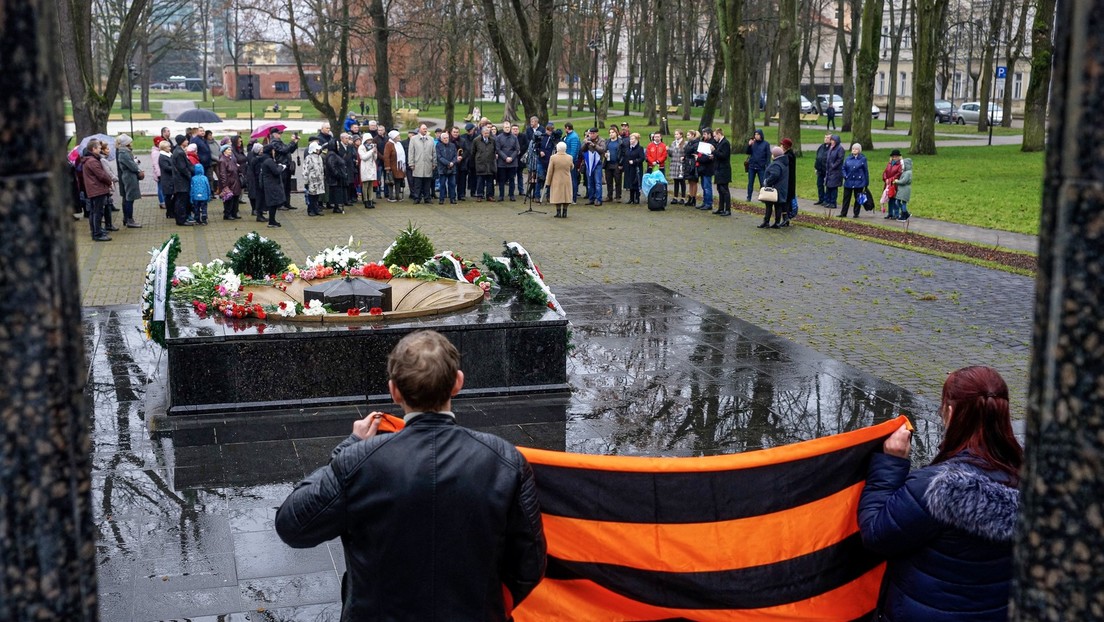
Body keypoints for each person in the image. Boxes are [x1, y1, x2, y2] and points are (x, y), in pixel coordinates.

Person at [276, 331, 546, 621]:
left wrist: (349, 447)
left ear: (394, 391)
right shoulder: (505, 460)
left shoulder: (357, 462)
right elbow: (529, 564)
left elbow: (293, 525)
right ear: (457, 383)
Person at [858, 365, 1022, 622]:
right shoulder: (1032, 481)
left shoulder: (937, 488)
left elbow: (877, 535)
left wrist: (890, 464)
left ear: (950, 411)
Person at [80, 139, 114, 241]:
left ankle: (96, 230)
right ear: (93, 148)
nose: (100, 150)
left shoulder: (90, 160)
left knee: (94, 211)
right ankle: (97, 233)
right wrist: (109, 181)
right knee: (97, 212)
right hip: (97, 189)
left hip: (94, 188)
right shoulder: (92, 161)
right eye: (99, 148)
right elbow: (101, 175)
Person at [115, 134, 143, 228]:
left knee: (127, 198)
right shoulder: (123, 153)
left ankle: (127, 218)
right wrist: (138, 170)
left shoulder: (124, 152)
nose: (131, 143)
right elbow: (131, 166)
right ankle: (129, 220)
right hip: (129, 177)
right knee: (129, 199)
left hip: (129, 176)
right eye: (130, 142)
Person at [758, 146, 789, 229]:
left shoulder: (776, 164)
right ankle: (777, 222)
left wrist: (767, 181)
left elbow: (775, 175)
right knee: (778, 206)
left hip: (774, 189)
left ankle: (766, 221)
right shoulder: (783, 163)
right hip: (781, 188)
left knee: (769, 205)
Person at [258, 143, 286, 227]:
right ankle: (272, 221)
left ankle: (272, 220)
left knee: (273, 203)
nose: (274, 152)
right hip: (271, 184)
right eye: (273, 150)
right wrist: (281, 167)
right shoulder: (268, 161)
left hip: (269, 183)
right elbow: (276, 171)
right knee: (273, 203)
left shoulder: (265, 159)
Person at [839, 143, 870, 218]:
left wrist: (866, 182)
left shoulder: (863, 159)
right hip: (849, 181)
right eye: (853, 149)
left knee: (858, 198)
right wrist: (845, 175)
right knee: (846, 198)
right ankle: (843, 213)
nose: (854, 150)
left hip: (859, 182)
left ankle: (856, 213)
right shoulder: (848, 158)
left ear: (859, 150)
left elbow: (865, 171)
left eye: (856, 149)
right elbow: (843, 168)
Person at [407, 123, 436, 204]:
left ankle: (427, 198)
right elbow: (411, 152)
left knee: (427, 183)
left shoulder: (431, 139)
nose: (425, 130)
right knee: (417, 183)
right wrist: (411, 163)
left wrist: (434, 163)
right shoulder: (413, 139)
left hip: (428, 164)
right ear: (419, 129)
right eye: (423, 128)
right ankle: (417, 198)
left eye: (426, 128)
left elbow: (434, 152)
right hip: (417, 164)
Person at [171, 135, 194, 226]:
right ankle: (181, 220)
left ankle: (181, 218)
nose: (187, 141)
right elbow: (182, 168)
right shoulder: (179, 152)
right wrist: (189, 176)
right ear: (182, 141)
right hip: (181, 181)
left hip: (180, 180)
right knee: (181, 201)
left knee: (181, 200)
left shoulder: (178, 151)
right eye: (186, 140)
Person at [546, 142, 573, 218]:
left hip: (556, 178)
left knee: (557, 196)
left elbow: (550, 170)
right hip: (567, 178)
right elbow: (572, 167)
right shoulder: (570, 157)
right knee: (566, 196)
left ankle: (558, 212)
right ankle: (565, 212)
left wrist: (548, 181)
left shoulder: (553, 157)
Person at [494, 122, 520, 201]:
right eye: (505, 127)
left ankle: (511, 195)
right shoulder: (498, 137)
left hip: (513, 162)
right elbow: (498, 149)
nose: (507, 129)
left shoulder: (514, 137)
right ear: (503, 128)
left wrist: (511, 158)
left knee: (512, 179)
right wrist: (505, 158)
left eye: (508, 127)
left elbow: (517, 149)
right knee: (502, 180)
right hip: (502, 162)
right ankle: (501, 195)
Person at [471, 124, 497, 202]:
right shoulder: (476, 140)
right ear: (482, 133)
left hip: (490, 164)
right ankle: (479, 195)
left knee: (490, 182)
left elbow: (495, 150)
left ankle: (490, 195)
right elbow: (473, 152)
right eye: (485, 133)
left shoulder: (492, 140)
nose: (486, 135)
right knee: (480, 181)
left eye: (488, 133)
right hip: (480, 164)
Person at [581, 128, 606, 206]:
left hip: (597, 164)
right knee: (590, 182)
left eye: (593, 133)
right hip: (589, 163)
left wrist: (594, 145)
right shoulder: (587, 139)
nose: (591, 135)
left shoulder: (601, 140)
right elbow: (582, 149)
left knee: (598, 182)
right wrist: (586, 144)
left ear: (596, 133)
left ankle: (598, 199)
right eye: (590, 133)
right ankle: (591, 198)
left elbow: (602, 150)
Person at [218, 143, 243, 220]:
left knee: (236, 197)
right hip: (229, 182)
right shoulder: (222, 160)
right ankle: (227, 214)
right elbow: (223, 173)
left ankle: (234, 213)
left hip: (235, 181)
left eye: (230, 149)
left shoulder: (231, 159)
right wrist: (225, 185)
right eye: (228, 149)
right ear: (224, 151)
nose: (230, 150)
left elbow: (235, 169)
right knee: (229, 199)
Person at [745, 128, 770, 201]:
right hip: (752, 166)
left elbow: (768, 155)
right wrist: (749, 145)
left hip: (761, 166)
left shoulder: (766, 144)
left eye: (758, 134)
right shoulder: (753, 143)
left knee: (762, 183)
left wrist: (767, 165)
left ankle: (762, 197)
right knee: (750, 182)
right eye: (755, 134)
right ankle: (749, 196)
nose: (756, 136)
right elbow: (748, 152)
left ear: (761, 135)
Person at [327, 135, 350, 213]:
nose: (338, 147)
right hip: (335, 179)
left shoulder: (335, 154)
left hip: (339, 177)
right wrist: (338, 174)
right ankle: (336, 207)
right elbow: (331, 166)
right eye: (337, 145)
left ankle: (337, 206)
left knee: (338, 193)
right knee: (336, 193)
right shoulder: (331, 155)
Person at [712, 127, 732, 216]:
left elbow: (724, 155)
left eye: (715, 136)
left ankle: (727, 209)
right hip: (719, 168)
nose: (714, 138)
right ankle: (721, 208)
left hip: (724, 169)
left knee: (724, 190)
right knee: (719, 189)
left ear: (719, 134)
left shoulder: (725, 143)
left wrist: (714, 151)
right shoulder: (720, 143)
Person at [436, 129, 459, 204]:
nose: (446, 139)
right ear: (441, 139)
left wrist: (453, 162)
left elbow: (456, 155)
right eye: (444, 138)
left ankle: (452, 198)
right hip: (442, 168)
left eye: (447, 138)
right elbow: (439, 157)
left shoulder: (452, 145)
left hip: (452, 168)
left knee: (452, 184)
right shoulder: (438, 146)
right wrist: (448, 163)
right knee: (442, 185)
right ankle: (441, 199)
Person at [303, 142, 326, 216]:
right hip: (312, 180)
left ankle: (316, 209)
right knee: (311, 196)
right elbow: (305, 170)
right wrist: (306, 181)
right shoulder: (308, 158)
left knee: (317, 196)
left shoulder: (319, 157)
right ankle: (310, 210)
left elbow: (321, 169)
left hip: (319, 179)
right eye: (317, 149)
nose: (319, 150)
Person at [696, 128, 716, 212]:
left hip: (708, 168)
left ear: (709, 134)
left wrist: (698, 159)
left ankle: (709, 203)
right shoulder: (703, 142)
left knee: (707, 186)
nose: (703, 136)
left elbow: (708, 157)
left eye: (705, 134)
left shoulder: (711, 144)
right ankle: (705, 202)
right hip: (702, 168)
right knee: (704, 186)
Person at [621, 132, 645, 205]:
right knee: (630, 183)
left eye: (632, 139)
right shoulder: (628, 148)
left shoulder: (640, 148)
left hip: (636, 168)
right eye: (630, 139)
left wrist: (634, 161)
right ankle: (631, 198)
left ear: (636, 139)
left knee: (636, 182)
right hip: (628, 168)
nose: (631, 140)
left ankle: (637, 198)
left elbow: (642, 158)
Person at [882, 148, 904, 219]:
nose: (894, 158)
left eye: (896, 156)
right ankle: (890, 213)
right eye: (893, 156)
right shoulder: (889, 164)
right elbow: (885, 172)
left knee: (895, 199)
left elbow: (898, 174)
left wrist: (890, 179)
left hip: (895, 185)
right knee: (889, 199)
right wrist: (885, 179)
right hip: (888, 184)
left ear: (899, 157)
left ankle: (896, 214)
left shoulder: (900, 165)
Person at [824, 134, 844, 211]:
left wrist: (833, 166)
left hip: (835, 171)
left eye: (833, 140)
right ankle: (828, 201)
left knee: (833, 187)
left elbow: (840, 159)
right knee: (828, 186)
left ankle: (833, 202)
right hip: (829, 170)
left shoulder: (840, 149)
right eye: (831, 140)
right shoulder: (831, 148)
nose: (831, 142)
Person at [157, 140, 176, 222]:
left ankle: (172, 211)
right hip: (167, 179)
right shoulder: (162, 157)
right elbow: (166, 168)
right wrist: (176, 168)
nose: (170, 148)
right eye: (168, 147)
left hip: (172, 178)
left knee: (172, 195)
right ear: (164, 148)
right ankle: (169, 212)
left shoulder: (170, 155)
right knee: (168, 196)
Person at [562, 122, 580, 203]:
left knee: (573, 179)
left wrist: (570, 161)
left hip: (571, 161)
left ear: (567, 128)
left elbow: (574, 150)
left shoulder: (573, 137)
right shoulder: (569, 136)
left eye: (565, 128)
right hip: (568, 159)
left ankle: (573, 197)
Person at [358, 134, 378, 209]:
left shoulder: (372, 147)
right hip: (365, 167)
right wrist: (371, 151)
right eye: (369, 140)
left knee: (371, 185)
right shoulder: (362, 147)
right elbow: (364, 157)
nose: (370, 141)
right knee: (365, 185)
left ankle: (370, 200)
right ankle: (365, 201)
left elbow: (375, 158)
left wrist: (375, 152)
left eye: (371, 140)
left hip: (371, 167)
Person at [780, 137, 797, 225]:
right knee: (786, 201)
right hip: (788, 181)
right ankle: (785, 218)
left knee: (785, 201)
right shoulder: (789, 155)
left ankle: (786, 218)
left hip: (787, 182)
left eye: (782, 145)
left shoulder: (788, 156)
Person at [682, 129, 701, 208]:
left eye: (689, 135)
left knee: (694, 181)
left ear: (693, 135)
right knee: (690, 181)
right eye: (687, 135)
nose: (687, 136)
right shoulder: (689, 143)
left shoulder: (696, 144)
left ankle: (694, 198)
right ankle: (690, 197)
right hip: (688, 163)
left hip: (693, 163)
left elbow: (693, 152)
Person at [667, 130, 686, 205]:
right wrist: (668, 150)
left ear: (681, 135)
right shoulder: (673, 143)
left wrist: (684, 157)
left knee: (682, 181)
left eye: (677, 134)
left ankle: (683, 197)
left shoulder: (685, 143)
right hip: (674, 163)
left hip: (681, 164)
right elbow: (671, 154)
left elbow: (686, 153)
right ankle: (675, 197)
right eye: (675, 134)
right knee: (676, 181)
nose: (675, 135)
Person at [604, 127, 622, 202]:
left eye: (613, 132)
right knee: (609, 181)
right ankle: (609, 195)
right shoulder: (607, 142)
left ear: (616, 133)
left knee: (618, 180)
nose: (611, 134)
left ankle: (618, 196)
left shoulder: (620, 142)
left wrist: (621, 163)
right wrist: (604, 154)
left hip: (617, 164)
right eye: (610, 132)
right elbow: (604, 150)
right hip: (608, 163)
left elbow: (622, 154)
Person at [813, 134, 831, 205]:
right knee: (819, 185)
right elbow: (817, 157)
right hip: (820, 170)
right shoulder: (821, 147)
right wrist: (816, 167)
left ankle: (826, 200)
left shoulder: (831, 148)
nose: (826, 139)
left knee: (827, 185)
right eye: (825, 137)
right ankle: (821, 199)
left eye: (828, 138)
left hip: (827, 170)